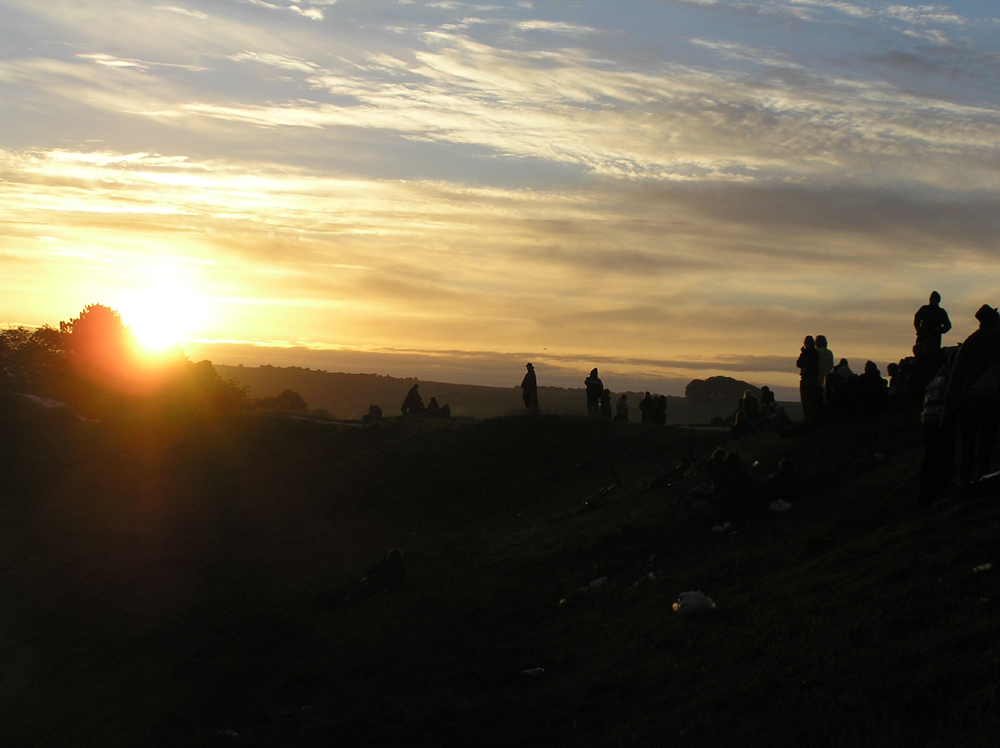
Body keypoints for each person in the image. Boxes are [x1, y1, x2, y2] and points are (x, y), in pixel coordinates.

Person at [944, 304, 1000, 490]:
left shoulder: (970, 341)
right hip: (990, 395)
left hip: (969, 397)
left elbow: (958, 375)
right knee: (986, 438)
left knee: (968, 441)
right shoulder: (995, 337)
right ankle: (978, 477)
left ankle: (965, 479)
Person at [914, 291, 952, 364]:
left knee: (933, 358)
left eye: (935, 299)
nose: (934, 301)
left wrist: (939, 330)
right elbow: (917, 318)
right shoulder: (924, 309)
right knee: (920, 356)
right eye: (933, 299)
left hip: (934, 338)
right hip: (923, 336)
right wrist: (919, 329)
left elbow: (948, 325)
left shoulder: (941, 312)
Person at [796, 336, 821, 422]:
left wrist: (802, 353)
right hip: (815, 380)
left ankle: (808, 420)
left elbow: (798, 364)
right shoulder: (816, 353)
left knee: (806, 402)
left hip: (806, 380)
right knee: (813, 402)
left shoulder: (806, 353)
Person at [816, 335, 835, 402]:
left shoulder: (816, 352)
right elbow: (831, 365)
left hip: (817, 381)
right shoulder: (829, 353)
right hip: (827, 381)